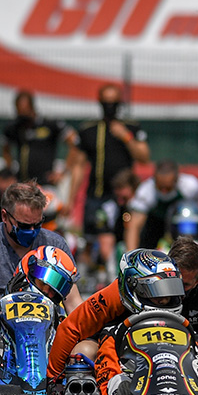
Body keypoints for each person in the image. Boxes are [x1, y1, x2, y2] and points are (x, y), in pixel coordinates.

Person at [47, 241, 198, 395]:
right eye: (168, 284)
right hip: (123, 350)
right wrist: (51, 381)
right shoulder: (122, 289)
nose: (173, 293)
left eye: (182, 286)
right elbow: (72, 327)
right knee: (82, 351)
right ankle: (103, 394)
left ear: (197, 280)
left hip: (181, 350)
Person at [0, 182, 82, 342]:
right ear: (5, 216)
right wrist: (16, 310)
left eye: (38, 224)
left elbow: (73, 300)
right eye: (24, 226)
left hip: (46, 323)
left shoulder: (55, 243)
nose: (32, 231)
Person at [0, 245, 82, 382]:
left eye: (53, 291)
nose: (47, 293)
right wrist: (1, 313)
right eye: (43, 285)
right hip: (4, 373)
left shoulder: (58, 318)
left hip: (45, 373)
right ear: (26, 272)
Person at [67, 84, 149, 266]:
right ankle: (90, 278)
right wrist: (70, 199)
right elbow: (78, 166)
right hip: (97, 195)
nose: (110, 107)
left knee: (124, 239)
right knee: (93, 242)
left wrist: (125, 136)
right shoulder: (88, 129)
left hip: (123, 197)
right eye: (106, 103)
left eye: (113, 103)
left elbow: (144, 157)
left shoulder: (131, 127)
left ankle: (125, 272)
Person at [125, 159, 198, 252]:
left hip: (179, 221)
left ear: (176, 180)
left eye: (168, 188)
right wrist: (131, 253)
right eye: (160, 187)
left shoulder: (190, 186)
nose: (164, 192)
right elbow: (134, 226)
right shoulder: (146, 191)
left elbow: (194, 213)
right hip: (154, 223)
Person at [1, 89, 75, 184]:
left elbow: (74, 143)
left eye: (25, 112)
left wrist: (62, 172)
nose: (23, 117)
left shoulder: (49, 125)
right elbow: (5, 149)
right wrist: (10, 170)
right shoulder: (14, 127)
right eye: (20, 113)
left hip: (46, 183)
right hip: (23, 184)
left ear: (32, 108)